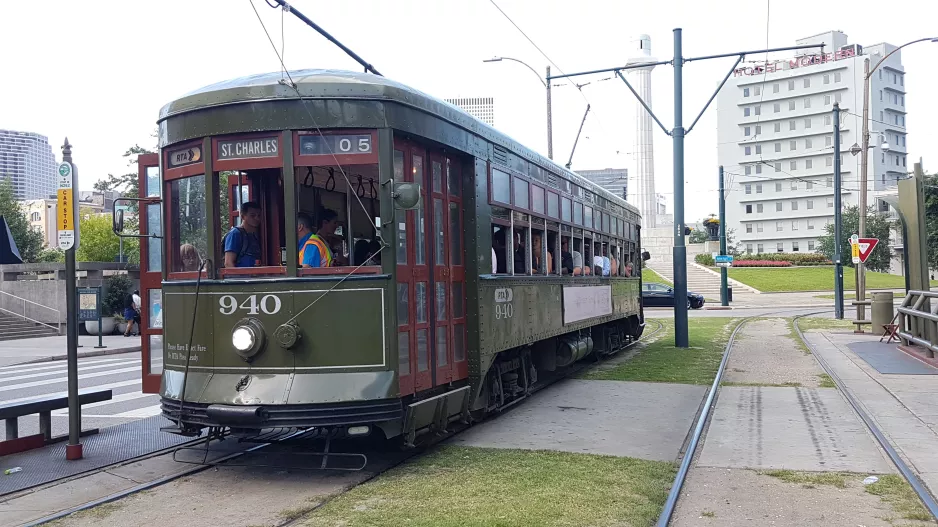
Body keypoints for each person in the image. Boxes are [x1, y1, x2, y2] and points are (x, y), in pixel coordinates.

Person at [223, 201, 262, 268]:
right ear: (243, 216)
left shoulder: (253, 236)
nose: (257, 218)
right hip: (240, 277)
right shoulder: (235, 234)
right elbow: (228, 263)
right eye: (252, 216)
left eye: (259, 215)